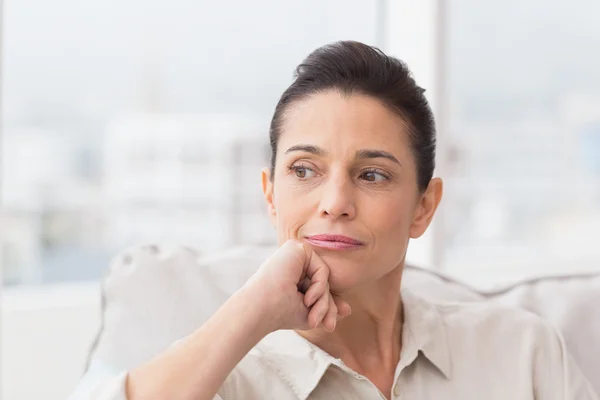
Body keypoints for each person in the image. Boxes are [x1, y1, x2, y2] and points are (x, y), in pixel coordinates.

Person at [71, 41, 599, 400]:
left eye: (372, 175)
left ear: (424, 206)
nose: (335, 202)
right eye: (305, 170)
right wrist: (251, 311)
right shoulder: (224, 379)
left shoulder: (523, 353)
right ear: (270, 195)